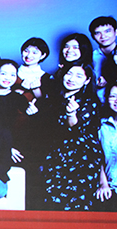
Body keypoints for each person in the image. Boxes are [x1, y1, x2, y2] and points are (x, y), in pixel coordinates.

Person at [41, 63, 107, 210]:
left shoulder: (90, 102)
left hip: (80, 161)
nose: (71, 79)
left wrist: (71, 114)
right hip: (56, 158)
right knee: (52, 205)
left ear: (87, 80)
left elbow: (76, 131)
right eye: (69, 73)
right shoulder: (54, 99)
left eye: (79, 76)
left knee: (76, 206)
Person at [98, 83, 117, 205]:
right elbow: (97, 158)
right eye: (113, 96)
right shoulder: (102, 126)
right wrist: (103, 184)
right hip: (109, 188)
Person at [89, 16, 117, 97]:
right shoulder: (90, 57)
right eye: (97, 33)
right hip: (98, 102)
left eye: (107, 31)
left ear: (116, 32)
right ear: (93, 36)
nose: (103, 36)